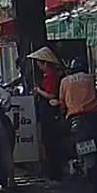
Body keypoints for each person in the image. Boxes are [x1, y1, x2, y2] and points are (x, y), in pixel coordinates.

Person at [29, 47, 65, 180]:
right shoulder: (49, 75)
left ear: (44, 63)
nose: (38, 66)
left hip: (50, 112)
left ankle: (55, 172)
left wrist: (38, 90)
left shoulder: (51, 75)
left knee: (51, 142)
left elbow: (51, 95)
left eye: (39, 63)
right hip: (47, 111)